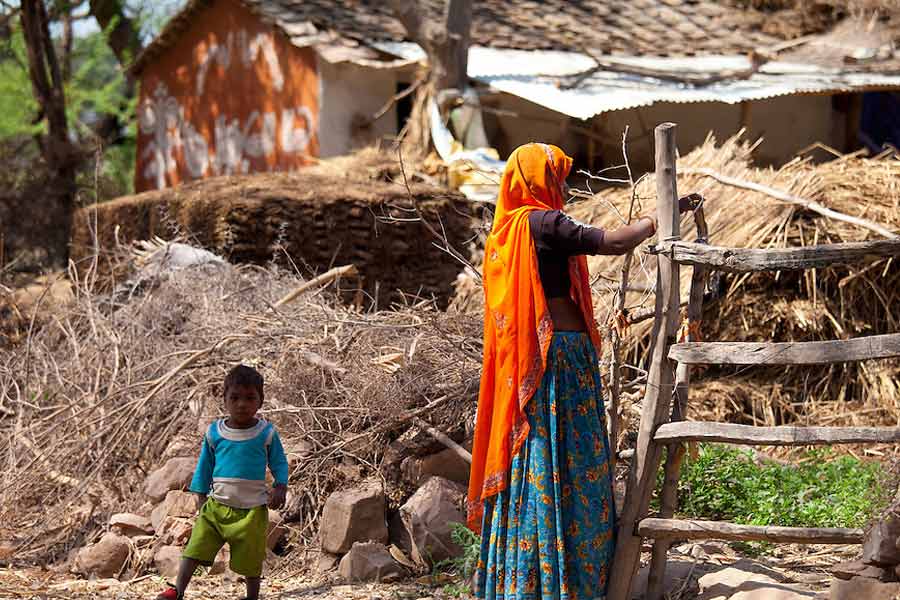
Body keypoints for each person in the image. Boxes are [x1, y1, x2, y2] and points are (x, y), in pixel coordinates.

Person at [468, 143, 698, 599]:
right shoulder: (543, 223)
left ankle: (526, 580)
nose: (564, 187)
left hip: (544, 361)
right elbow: (612, 243)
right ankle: (564, 578)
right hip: (559, 362)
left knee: (536, 461)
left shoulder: (508, 231)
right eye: (557, 177)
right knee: (567, 464)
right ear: (538, 180)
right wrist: (661, 216)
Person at [156, 365, 289, 600]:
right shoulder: (214, 432)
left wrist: (280, 486)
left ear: (261, 401)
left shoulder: (266, 433)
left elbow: (279, 462)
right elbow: (204, 466)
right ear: (224, 399)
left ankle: (252, 597)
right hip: (216, 508)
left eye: (250, 398)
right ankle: (178, 590)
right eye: (235, 397)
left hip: (252, 512)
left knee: (251, 558)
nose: (242, 404)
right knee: (194, 548)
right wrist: (200, 496)